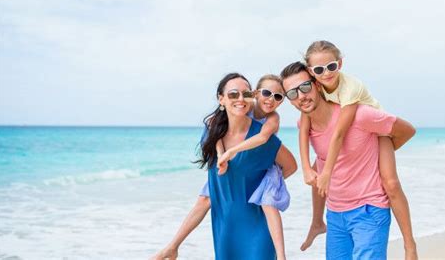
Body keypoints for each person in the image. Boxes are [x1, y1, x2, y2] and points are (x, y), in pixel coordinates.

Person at [152, 73, 297, 260]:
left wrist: (262, 187)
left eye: (245, 94)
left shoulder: (265, 138)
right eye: (233, 94)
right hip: (225, 228)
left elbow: (291, 166)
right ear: (221, 99)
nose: (240, 99)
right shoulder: (211, 134)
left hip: (257, 228)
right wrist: (173, 245)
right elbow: (206, 199)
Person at [281, 61, 416, 260]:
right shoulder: (304, 124)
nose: (301, 96)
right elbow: (320, 165)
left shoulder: (361, 115)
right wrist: (317, 220)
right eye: (292, 93)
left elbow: (407, 131)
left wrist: (378, 152)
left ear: (317, 84)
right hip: (336, 215)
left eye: (305, 87)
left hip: (369, 210)